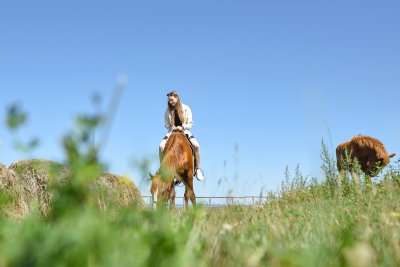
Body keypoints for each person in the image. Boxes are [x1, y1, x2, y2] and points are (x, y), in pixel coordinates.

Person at [159, 91, 205, 181]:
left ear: (177, 98)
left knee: (196, 146)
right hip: (172, 132)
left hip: (184, 131)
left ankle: (198, 168)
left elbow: (190, 123)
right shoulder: (167, 110)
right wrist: (171, 127)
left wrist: (182, 127)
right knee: (161, 146)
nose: (170, 102)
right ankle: (162, 168)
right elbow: (166, 124)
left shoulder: (186, 108)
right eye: (169, 100)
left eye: (172, 100)